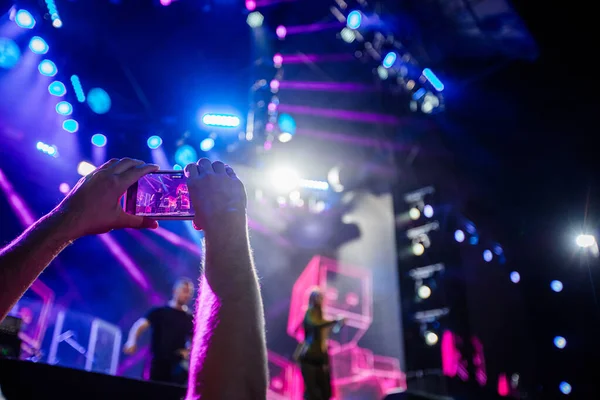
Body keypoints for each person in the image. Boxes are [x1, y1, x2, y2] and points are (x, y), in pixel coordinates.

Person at [0, 157, 268, 400]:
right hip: (158, 366)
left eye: (189, 289)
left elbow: (193, 338)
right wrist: (227, 225)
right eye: (184, 288)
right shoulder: (162, 312)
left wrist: (67, 219)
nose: (187, 292)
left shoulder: (188, 317)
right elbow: (143, 324)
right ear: (176, 291)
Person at [123, 278, 195, 385]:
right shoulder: (160, 312)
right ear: (175, 291)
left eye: (190, 292)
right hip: (156, 363)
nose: (187, 295)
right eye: (185, 290)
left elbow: (195, 341)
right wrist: (131, 341)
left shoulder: (190, 318)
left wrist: (188, 352)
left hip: (176, 366)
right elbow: (139, 326)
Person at [299, 288, 344, 400]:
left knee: (325, 391)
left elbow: (332, 329)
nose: (319, 300)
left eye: (320, 297)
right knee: (312, 391)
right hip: (309, 357)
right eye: (317, 297)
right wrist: (335, 320)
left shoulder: (323, 316)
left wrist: (339, 323)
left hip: (321, 356)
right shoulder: (309, 313)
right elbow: (316, 324)